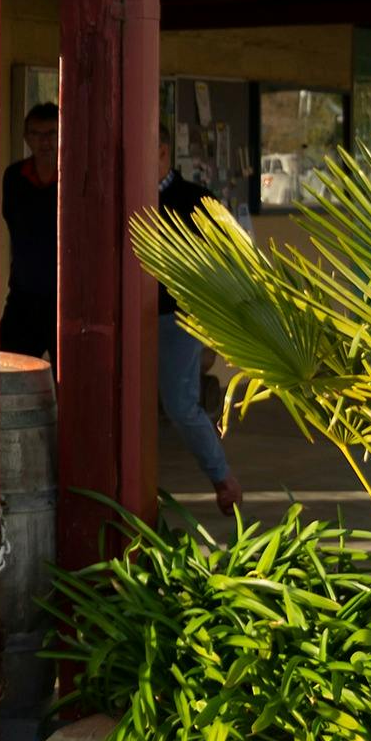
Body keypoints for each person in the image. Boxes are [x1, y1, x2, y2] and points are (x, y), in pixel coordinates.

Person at [157, 140, 246, 515]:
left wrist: (213, 327)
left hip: (180, 315)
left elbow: (226, 259)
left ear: (162, 149)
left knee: (179, 404)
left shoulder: (196, 199)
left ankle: (222, 478)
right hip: (124, 315)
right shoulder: (121, 191)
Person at [0, 102, 59, 359]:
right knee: (7, 369)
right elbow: (13, 221)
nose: (45, 142)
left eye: (52, 133)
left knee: (74, 383)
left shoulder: (78, 173)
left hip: (65, 298)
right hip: (25, 294)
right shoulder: (14, 177)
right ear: (26, 138)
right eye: (37, 134)